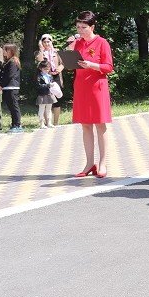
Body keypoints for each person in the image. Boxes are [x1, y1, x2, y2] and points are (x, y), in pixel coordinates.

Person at [67, 11, 114, 178]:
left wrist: (91, 65)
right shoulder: (77, 43)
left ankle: (103, 163)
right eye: (78, 27)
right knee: (85, 125)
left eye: (84, 27)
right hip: (81, 87)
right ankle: (89, 163)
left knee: (100, 125)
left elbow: (108, 67)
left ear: (92, 27)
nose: (80, 30)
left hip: (97, 88)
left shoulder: (102, 43)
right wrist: (69, 51)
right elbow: (70, 66)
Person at [35, 34, 65, 126]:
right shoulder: (38, 52)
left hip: (56, 78)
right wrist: (41, 49)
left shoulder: (57, 52)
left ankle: (55, 122)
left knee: (57, 100)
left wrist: (59, 68)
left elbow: (62, 63)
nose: (47, 43)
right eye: (44, 42)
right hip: (45, 79)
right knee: (46, 100)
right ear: (41, 43)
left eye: (48, 41)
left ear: (51, 42)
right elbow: (39, 61)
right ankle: (47, 122)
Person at [0, 43, 22, 133]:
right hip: (7, 87)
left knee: (14, 106)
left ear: (11, 51)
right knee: (11, 107)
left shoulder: (13, 61)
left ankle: (18, 125)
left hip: (12, 87)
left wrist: (1, 86)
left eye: (4, 49)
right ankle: (14, 124)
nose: (3, 51)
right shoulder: (8, 61)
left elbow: (9, 76)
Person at [35, 60, 57, 128]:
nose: (47, 70)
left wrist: (53, 85)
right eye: (45, 69)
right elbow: (38, 86)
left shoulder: (49, 76)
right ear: (40, 68)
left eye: (48, 69)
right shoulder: (38, 76)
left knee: (49, 109)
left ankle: (49, 123)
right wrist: (48, 85)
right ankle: (41, 123)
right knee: (41, 109)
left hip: (49, 94)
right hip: (42, 94)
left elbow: (51, 83)